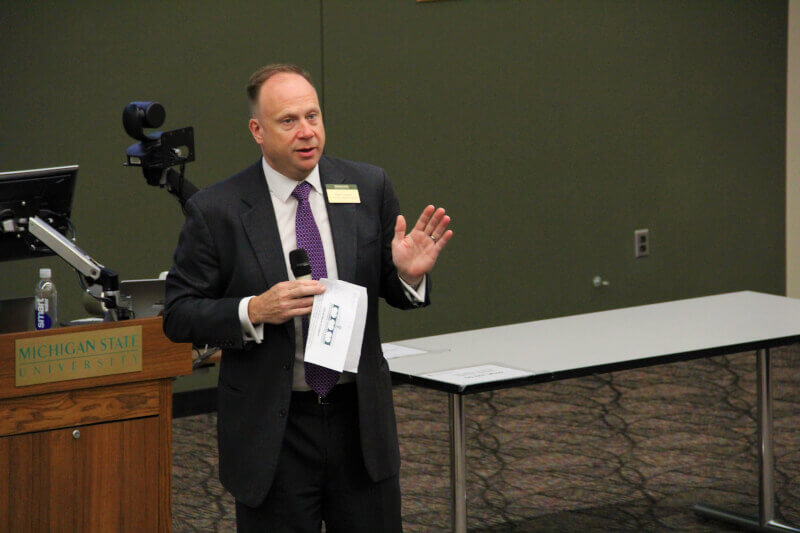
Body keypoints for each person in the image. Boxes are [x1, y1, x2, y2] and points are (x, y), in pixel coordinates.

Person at [163, 63, 452, 532]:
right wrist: (254, 309)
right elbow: (178, 315)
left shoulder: (367, 187)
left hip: (359, 422)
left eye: (313, 117)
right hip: (274, 429)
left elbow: (396, 291)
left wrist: (405, 275)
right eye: (289, 121)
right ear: (257, 130)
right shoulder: (217, 210)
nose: (307, 132)